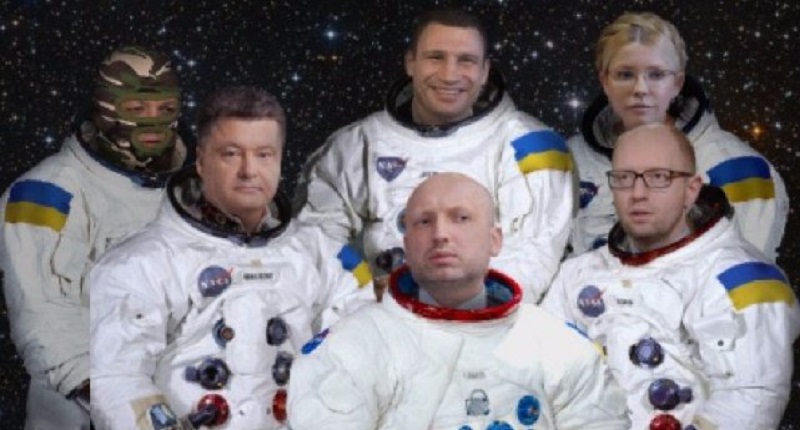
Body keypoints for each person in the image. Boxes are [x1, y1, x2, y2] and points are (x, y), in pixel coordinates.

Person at [89, 86, 374, 430]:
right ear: (201, 161)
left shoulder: (324, 255)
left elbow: (358, 357)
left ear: (279, 160)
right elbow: (119, 380)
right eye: (231, 154)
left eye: (264, 155)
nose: (249, 170)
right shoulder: (141, 264)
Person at [288, 172, 629, 429]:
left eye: (461, 218)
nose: (440, 234)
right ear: (406, 244)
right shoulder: (347, 350)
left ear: (495, 239)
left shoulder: (559, 347)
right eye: (424, 222)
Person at [294, 8, 573, 303]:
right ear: (411, 63)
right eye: (436, 57)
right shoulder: (353, 147)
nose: (450, 75)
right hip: (374, 313)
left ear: (484, 71)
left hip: (485, 318)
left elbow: (534, 253)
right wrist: (370, 297)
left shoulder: (530, 146)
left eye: (466, 60)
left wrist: (453, 303)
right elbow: (319, 243)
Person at [542, 123, 800, 428]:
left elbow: (748, 402)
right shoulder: (577, 275)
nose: (638, 193)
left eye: (658, 177)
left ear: (692, 189)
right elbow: (536, 375)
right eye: (624, 178)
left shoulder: (744, 281)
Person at [0, 45, 187, 430]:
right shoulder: (46, 192)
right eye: (137, 108)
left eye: (164, 108)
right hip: (88, 409)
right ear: (106, 108)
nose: (153, 120)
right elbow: (43, 317)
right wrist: (116, 401)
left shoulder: (194, 190)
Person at [568, 12, 788, 261]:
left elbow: (742, 275)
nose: (640, 89)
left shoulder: (737, 169)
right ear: (605, 81)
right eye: (625, 74)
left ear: (678, 82)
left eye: (656, 74)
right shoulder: (570, 161)